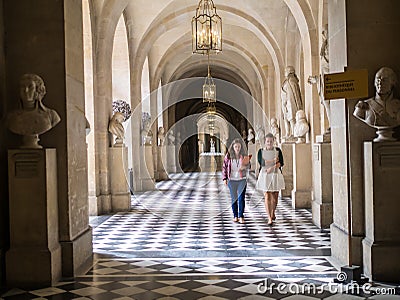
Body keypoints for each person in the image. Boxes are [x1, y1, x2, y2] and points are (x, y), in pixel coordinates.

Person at [7, 73, 61, 148]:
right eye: (22, 87)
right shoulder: (11, 117)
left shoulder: (51, 116)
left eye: (30, 87)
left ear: (37, 90)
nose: (26, 90)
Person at [256, 133, 285, 225]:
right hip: (265, 175)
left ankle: (273, 212)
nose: (269, 143)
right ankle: (269, 217)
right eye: (267, 141)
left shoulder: (278, 150)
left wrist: (272, 167)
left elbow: (281, 163)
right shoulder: (261, 151)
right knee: (267, 195)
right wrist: (273, 161)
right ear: (265, 142)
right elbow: (262, 163)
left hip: (276, 174)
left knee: (275, 196)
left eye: (271, 141)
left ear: (273, 141)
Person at [222, 138, 249, 224]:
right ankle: (235, 215)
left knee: (241, 198)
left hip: (242, 179)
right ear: (233, 147)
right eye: (236, 147)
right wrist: (225, 178)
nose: (237, 148)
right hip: (232, 180)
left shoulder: (244, 155)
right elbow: (224, 167)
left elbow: (249, 166)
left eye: (239, 147)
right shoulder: (228, 156)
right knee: (234, 199)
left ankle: (241, 216)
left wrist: (244, 167)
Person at [281, 66, 303, 138]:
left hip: (291, 102)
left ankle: (294, 133)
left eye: (285, 71)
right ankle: (289, 133)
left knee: (292, 118)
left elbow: (296, 93)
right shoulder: (287, 81)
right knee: (288, 118)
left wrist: (298, 104)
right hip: (286, 103)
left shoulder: (292, 80)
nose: (284, 73)